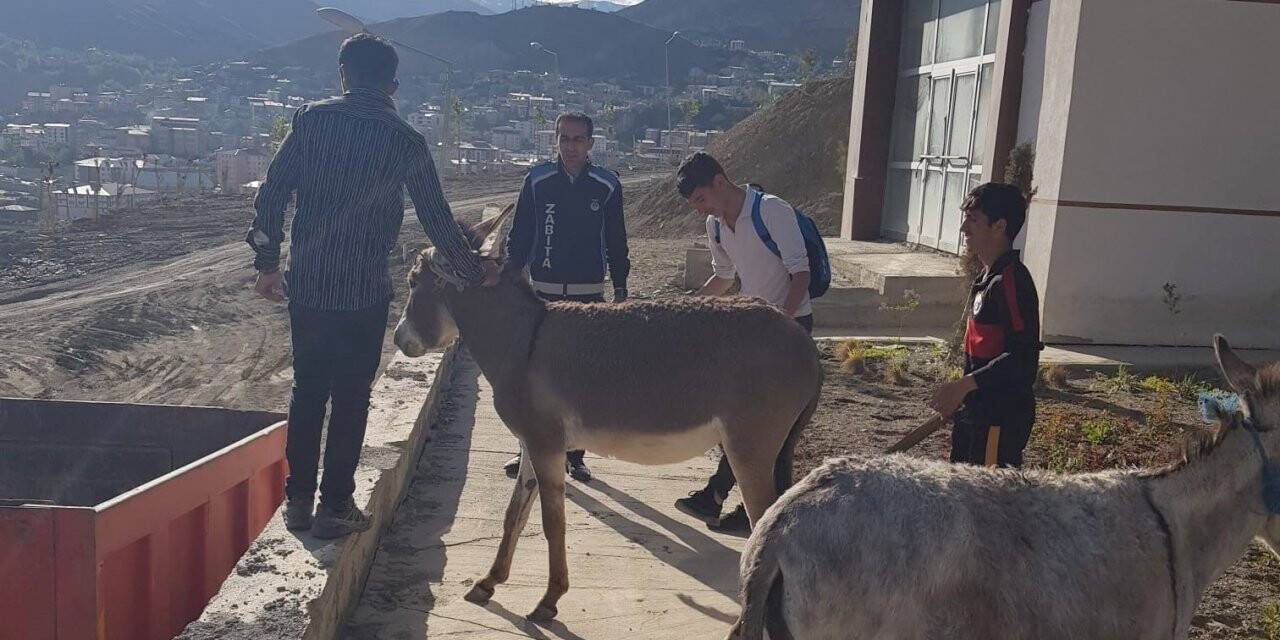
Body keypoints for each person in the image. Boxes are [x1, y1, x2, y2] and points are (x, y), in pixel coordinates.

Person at [247, 33, 500, 539]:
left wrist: (269, 264)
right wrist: (476, 272)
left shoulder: (311, 121)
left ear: (343, 76)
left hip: (311, 285)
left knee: (307, 390)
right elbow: (437, 221)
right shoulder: (405, 140)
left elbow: (272, 195)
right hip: (363, 289)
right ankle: (335, 505)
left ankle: (297, 503)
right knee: (351, 395)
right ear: (393, 85)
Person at [670, 151, 812, 535]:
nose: (700, 210)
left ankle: (738, 507)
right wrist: (684, 309)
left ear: (719, 181)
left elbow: (801, 272)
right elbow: (724, 279)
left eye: (701, 199)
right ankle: (745, 511)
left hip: (788, 331)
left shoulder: (772, 211)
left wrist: (780, 323)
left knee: (768, 430)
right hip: (751, 333)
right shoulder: (716, 226)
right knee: (749, 424)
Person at [501, 111, 630, 482]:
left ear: (590, 144)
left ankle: (575, 456)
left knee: (580, 378)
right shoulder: (538, 180)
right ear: (554, 140)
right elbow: (520, 235)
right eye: (564, 138)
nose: (571, 146)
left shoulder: (606, 185)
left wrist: (620, 288)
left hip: (589, 296)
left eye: (578, 139)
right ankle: (527, 450)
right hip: (543, 295)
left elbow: (617, 241)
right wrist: (512, 277)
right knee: (534, 376)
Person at [928, 182, 1041, 467]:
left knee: (988, 505)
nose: (964, 228)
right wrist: (965, 394)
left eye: (973, 219)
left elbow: (1022, 357)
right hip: (976, 414)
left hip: (999, 419)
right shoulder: (986, 280)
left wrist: (964, 386)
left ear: (999, 226)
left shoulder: (1012, 282)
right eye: (965, 218)